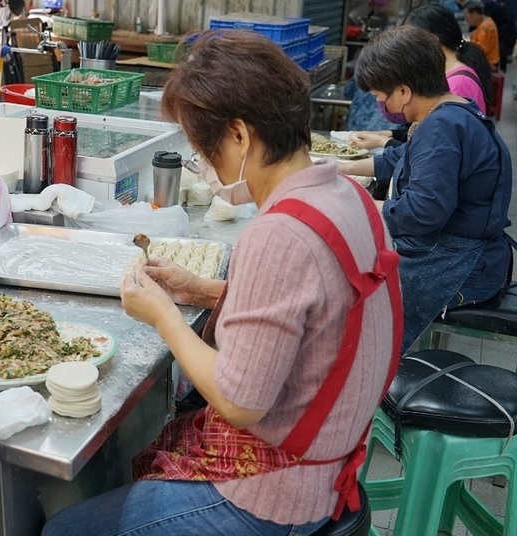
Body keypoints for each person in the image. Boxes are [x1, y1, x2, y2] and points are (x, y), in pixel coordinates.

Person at [42, 30, 401, 536]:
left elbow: (239, 401)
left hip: (281, 493)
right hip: (330, 455)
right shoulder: (349, 197)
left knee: (63, 530)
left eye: (201, 149)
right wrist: (201, 291)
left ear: (238, 136)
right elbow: (318, 314)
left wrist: (164, 315)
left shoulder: (279, 234)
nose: (203, 165)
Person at [338, 25, 514, 355]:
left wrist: (356, 201)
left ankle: (368, 383)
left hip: (463, 264)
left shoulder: (442, 128)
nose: (380, 103)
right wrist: (339, 169)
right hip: (463, 252)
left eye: (380, 96)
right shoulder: (451, 110)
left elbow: (423, 212)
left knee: (350, 301)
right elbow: (400, 159)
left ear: (403, 91)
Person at [348, 3, 495, 150]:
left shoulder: (457, 85)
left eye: (409, 39)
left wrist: (383, 142)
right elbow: (420, 133)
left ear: (433, 40)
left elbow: (433, 149)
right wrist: (387, 134)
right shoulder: (445, 73)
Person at [466, 0, 503, 67]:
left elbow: (480, 50)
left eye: (467, 16)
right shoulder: (485, 22)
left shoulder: (486, 27)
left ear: (474, 13)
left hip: (486, 64)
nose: (466, 19)